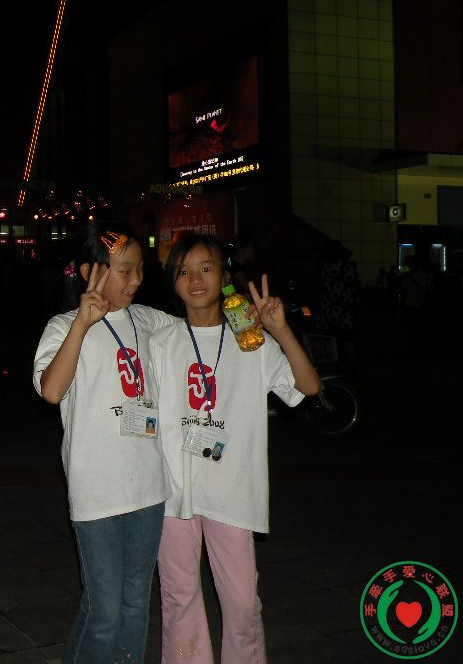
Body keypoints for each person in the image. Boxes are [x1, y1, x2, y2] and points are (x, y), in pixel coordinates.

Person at [147, 234, 319, 664]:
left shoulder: (250, 340)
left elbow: (308, 387)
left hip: (232, 490)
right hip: (174, 492)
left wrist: (280, 329)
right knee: (180, 598)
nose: (195, 279)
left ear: (224, 276)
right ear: (173, 283)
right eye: (183, 271)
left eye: (206, 268)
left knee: (242, 604)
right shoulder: (162, 342)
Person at [32, 221, 177, 664]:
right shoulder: (62, 326)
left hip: (148, 487)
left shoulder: (148, 320)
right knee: (106, 610)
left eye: (139, 269)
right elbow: (51, 391)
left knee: (134, 603)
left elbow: (200, 334)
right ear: (89, 272)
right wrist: (82, 324)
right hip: (96, 492)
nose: (136, 280)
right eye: (125, 270)